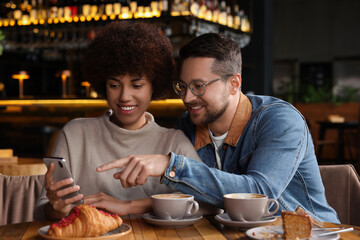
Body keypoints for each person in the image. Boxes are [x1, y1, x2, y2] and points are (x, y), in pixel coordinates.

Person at [96, 33, 340, 223]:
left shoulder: (280, 121)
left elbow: (260, 194)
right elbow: (189, 198)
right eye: (182, 86)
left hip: (311, 233)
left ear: (233, 84)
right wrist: (128, 206)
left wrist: (170, 166)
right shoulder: (188, 125)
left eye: (199, 86)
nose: (188, 97)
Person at [34, 21, 201, 220]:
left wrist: (130, 206)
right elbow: (41, 211)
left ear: (153, 87)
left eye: (137, 85)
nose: (124, 96)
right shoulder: (75, 133)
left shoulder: (174, 142)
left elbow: (208, 201)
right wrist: (56, 208)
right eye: (114, 85)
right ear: (103, 85)